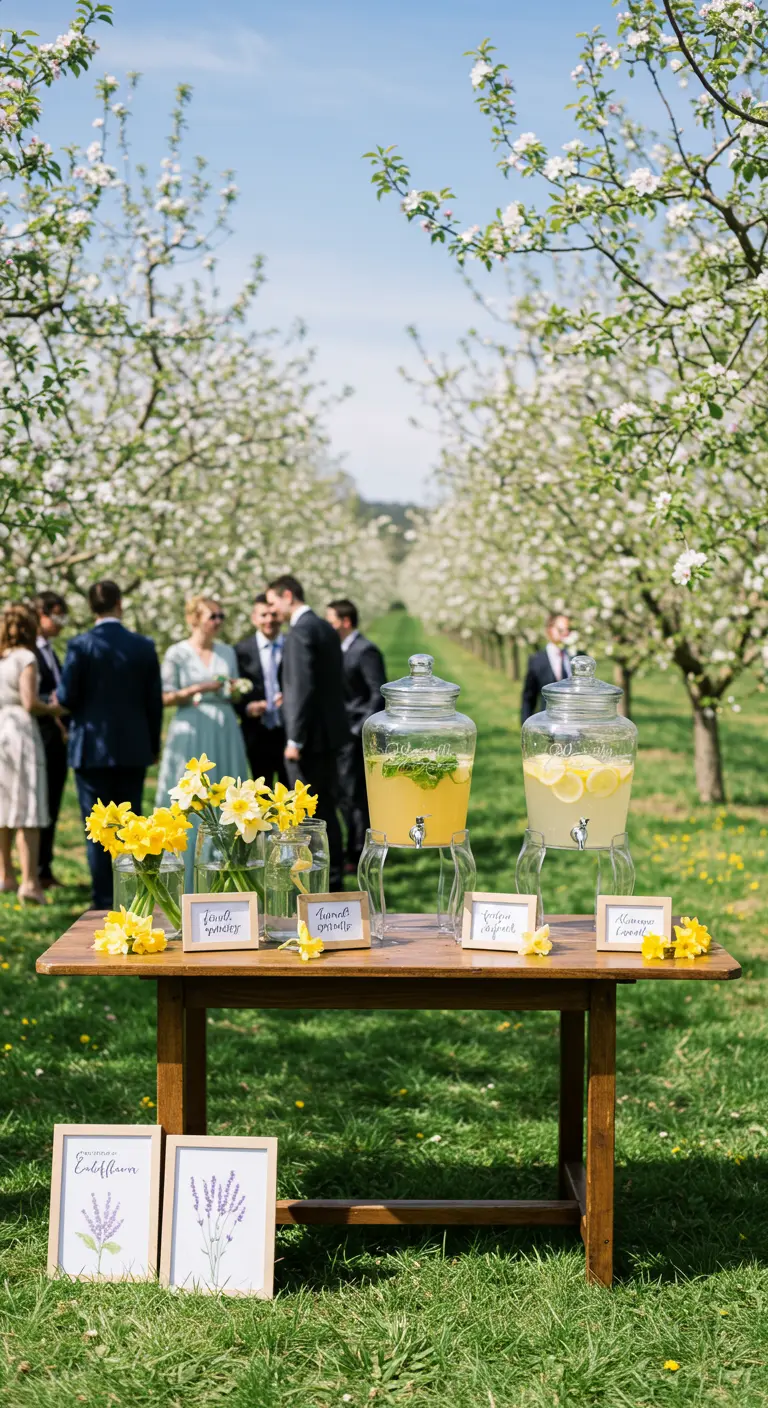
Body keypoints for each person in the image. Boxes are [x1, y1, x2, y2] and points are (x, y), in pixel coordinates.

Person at [57, 581, 162, 910]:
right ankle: (132, 894)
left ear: (92, 608)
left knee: (98, 826)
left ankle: (103, 899)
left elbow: (65, 697)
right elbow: (153, 702)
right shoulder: (143, 646)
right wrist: (153, 742)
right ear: (120, 604)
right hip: (133, 747)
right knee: (132, 825)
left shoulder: (79, 645)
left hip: (91, 749)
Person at [156, 595, 249, 890]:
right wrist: (199, 688)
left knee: (226, 791)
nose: (219, 622)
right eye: (213, 616)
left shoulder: (226, 651)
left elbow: (231, 690)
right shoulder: (177, 653)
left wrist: (235, 690)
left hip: (223, 725)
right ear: (195, 618)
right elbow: (166, 696)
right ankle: (184, 868)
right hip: (192, 726)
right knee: (190, 794)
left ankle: (227, 869)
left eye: (222, 616)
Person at [265, 575, 349, 890]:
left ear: (288, 595)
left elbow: (302, 686)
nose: (273, 611)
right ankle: (335, 876)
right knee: (327, 805)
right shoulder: (324, 627)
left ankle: (318, 878)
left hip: (309, 738)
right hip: (329, 732)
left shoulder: (300, 631)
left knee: (308, 810)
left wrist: (294, 739)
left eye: (273, 603)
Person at [0, 603, 63, 903]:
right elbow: (29, 702)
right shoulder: (27, 657)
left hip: (1, 728)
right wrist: (54, 708)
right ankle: (30, 883)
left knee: (3, 806)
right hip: (21, 732)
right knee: (27, 810)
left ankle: (5, 876)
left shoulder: (2, 657)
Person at [326, 598, 386, 873]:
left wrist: (358, 728)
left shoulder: (366, 651)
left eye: (331, 621)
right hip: (341, 733)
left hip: (357, 734)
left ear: (345, 622)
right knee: (342, 794)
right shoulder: (338, 650)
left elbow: (377, 695)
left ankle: (360, 852)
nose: (328, 627)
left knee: (356, 795)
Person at [34, 591, 69, 889]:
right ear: (40, 614)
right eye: (56, 615)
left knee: (53, 801)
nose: (61, 622)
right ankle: (40, 868)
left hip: (56, 736)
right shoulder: (30, 653)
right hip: (40, 735)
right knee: (42, 801)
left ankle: (44, 866)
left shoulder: (49, 650)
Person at [234, 593, 288, 790]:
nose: (269, 620)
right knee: (259, 792)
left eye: (274, 614)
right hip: (256, 731)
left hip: (288, 730)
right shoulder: (240, 650)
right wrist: (247, 708)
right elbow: (233, 692)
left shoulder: (293, 646)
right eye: (264, 615)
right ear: (254, 618)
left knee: (290, 792)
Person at [521, 612, 573, 723]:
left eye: (568, 630)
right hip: (548, 724)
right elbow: (529, 697)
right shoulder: (537, 660)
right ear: (549, 630)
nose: (566, 634)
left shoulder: (576, 655)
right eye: (560, 630)